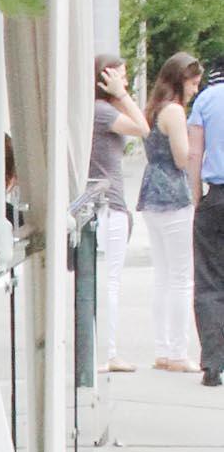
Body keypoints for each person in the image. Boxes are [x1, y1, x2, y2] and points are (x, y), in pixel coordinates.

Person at [138, 52, 203, 372]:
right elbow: (181, 157)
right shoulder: (175, 111)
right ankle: (178, 351)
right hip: (174, 194)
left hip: (151, 190)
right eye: (192, 82)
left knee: (163, 275)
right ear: (181, 80)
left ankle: (164, 348)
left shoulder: (152, 109)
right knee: (181, 277)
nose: (195, 88)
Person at [88, 53, 148, 374]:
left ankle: (103, 349)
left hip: (108, 206)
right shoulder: (102, 112)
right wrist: (122, 96)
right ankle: (107, 351)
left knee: (104, 281)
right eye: (121, 76)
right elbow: (143, 127)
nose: (125, 83)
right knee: (108, 282)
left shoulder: (98, 111)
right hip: (108, 207)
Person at [189, 56, 224, 387]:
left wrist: (197, 195)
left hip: (217, 197)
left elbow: (194, 154)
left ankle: (213, 363)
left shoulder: (206, 100)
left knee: (210, 280)